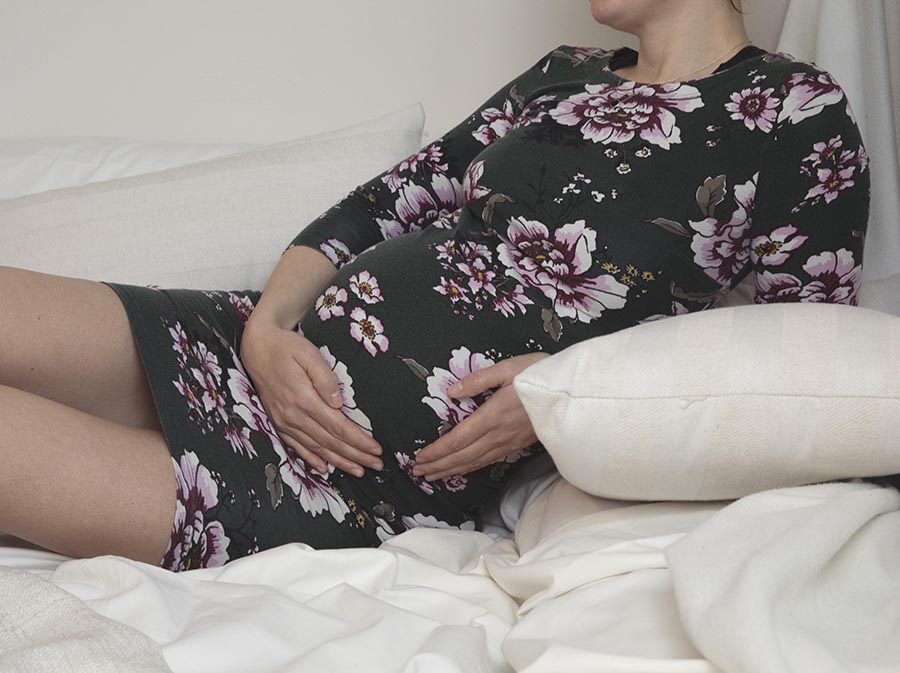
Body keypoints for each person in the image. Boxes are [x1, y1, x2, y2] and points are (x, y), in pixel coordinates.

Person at [0, 0, 872, 572]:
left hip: (342, 477)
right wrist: (268, 328)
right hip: (251, 353)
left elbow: (796, 355)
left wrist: (573, 386)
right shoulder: (562, 71)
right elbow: (383, 203)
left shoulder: (794, 111)